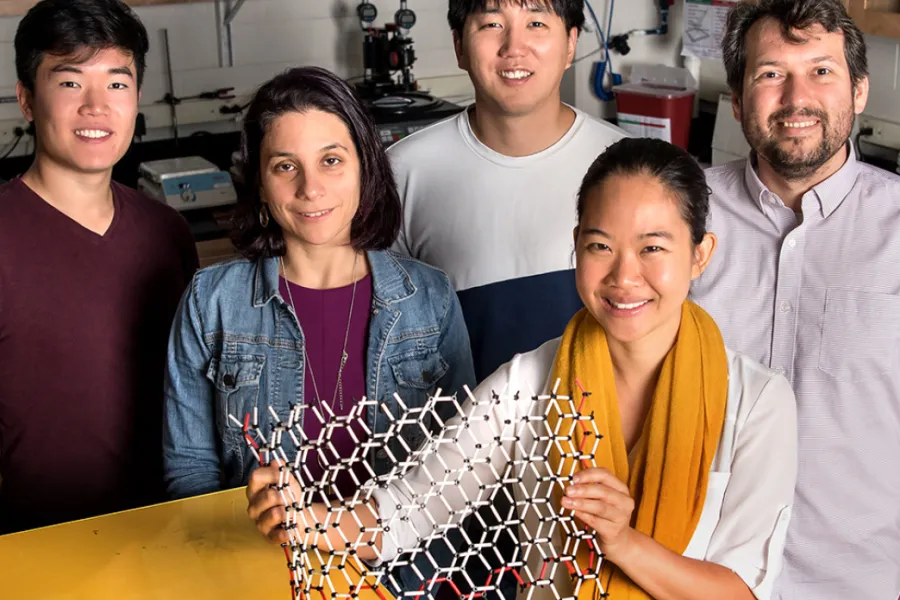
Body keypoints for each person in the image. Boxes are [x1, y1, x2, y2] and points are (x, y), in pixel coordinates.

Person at [247, 138, 798, 600]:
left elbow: (741, 591)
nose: (624, 277)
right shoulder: (531, 382)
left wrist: (623, 541)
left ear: (700, 254)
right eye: (600, 246)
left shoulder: (755, 402)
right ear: (576, 249)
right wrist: (308, 519)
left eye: (653, 247)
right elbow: (408, 513)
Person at [162, 66, 476, 593]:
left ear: (364, 169)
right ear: (260, 184)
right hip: (263, 576)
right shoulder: (211, 302)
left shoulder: (431, 298)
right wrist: (243, 523)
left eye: (331, 160)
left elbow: (461, 470)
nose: (311, 188)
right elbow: (189, 474)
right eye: (286, 166)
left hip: (405, 580)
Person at [692, 1, 900, 597]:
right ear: (737, 99)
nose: (796, 97)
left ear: (859, 90)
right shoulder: (677, 215)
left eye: (822, 71)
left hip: (856, 582)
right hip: (692, 573)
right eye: (771, 73)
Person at [0, 0, 198, 534]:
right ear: (26, 99)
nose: (96, 106)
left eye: (116, 83)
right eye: (69, 83)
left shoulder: (166, 232)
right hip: (36, 546)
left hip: (168, 530)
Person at [389, 0, 627, 383]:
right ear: (459, 47)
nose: (514, 47)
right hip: (457, 437)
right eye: (491, 25)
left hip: (603, 435)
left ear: (570, 44)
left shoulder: (629, 168)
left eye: (535, 22)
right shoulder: (401, 173)